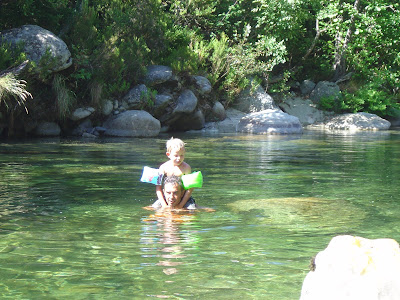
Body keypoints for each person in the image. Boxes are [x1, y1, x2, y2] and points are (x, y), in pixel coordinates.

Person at [156, 138, 194, 209]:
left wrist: (180, 205)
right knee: (155, 208)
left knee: (191, 210)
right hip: (167, 197)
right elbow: (158, 188)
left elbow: (190, 189)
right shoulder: (163, 168)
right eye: (176, 155)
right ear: (168, 154)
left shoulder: (186, 168)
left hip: (183, 198)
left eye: (182, 155)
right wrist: (164, 205)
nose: (179, 158)